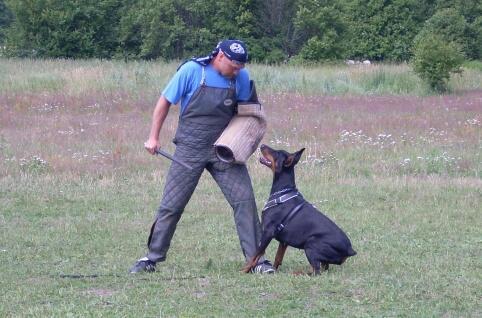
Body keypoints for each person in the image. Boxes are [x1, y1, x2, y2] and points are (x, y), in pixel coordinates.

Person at [130, 39, 275, 274]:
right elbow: (165, 102)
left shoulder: (242, 77)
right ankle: (151, 259)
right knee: (172, 205)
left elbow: (247, 115)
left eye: (240, 67)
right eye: (233, 66)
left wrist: (242, 144)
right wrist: (153, 137)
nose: (237, 71)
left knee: (245, 201)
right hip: (189, 148)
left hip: (224, 150)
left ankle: (257, 261)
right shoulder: (192, 71)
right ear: (219, 56)